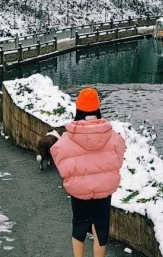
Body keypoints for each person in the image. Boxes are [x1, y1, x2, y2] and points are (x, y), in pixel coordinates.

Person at [50, 87, 126, 257]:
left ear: (78, 109)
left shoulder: (69, 136)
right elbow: (120, 155)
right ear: (98, 109)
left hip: (79, 190)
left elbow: (57, 151)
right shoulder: (111, 134)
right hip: (104, 191)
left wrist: (71, 174)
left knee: (79, 224)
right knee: (101, 225)